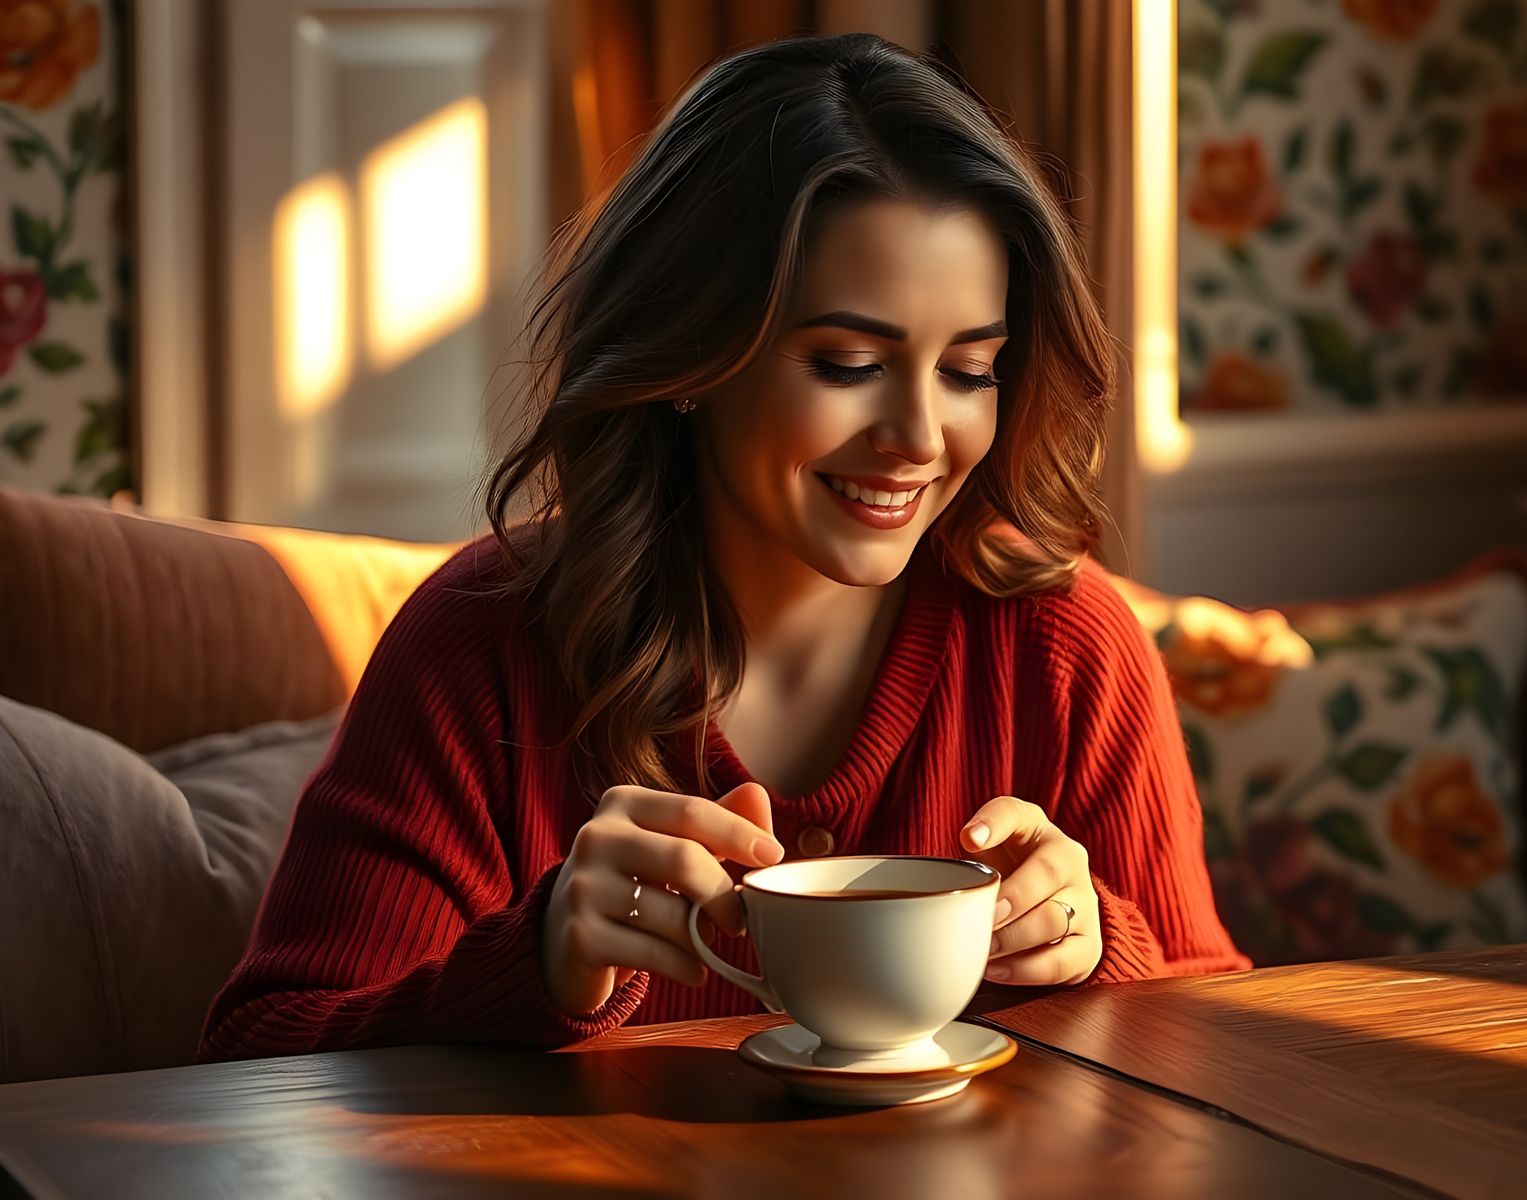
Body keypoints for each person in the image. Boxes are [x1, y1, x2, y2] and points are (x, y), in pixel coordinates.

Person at [196, 31, 1248, 1064]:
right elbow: (257, 1057)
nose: (921, 438)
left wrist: (1098, 947)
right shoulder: (480, 644)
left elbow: (1222, 1047)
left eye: (969, 371)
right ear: (693, 355)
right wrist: (537, 963)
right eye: (847, 363)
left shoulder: (1068, 642)